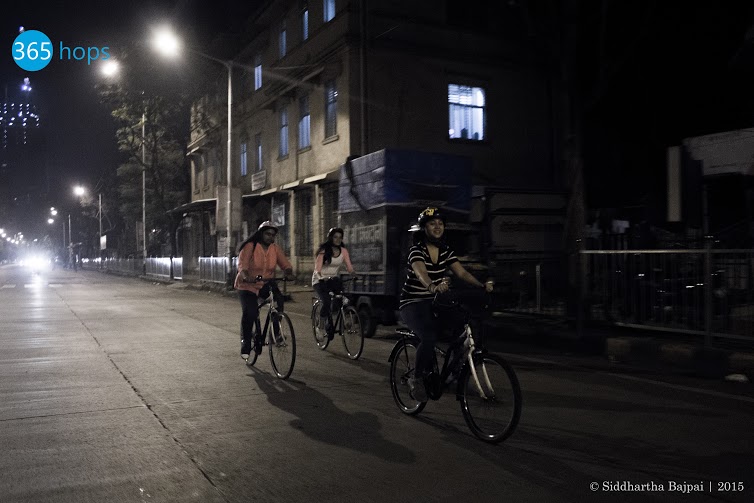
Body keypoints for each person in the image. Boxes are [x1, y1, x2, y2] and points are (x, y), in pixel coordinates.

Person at [399, 207, 494, 402]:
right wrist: (432, 286)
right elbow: (421, 274)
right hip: (413, 303)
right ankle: (417, 379)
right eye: (432, 223)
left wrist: (481, 285)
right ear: (424, 228)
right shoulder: (416, 251)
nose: (437, 227)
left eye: (440, 224)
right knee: (428, 337)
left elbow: (462, 273)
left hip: (435, 302)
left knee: (463, 326)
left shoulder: (445, 251)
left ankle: (455, 372)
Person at [234, 221, 294, 359]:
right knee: (251, 312)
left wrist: (289, 272)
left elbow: (285, 264)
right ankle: (246, 342)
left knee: (278, 300)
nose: (270, 237)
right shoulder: (250, 246)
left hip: (266, 282)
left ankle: (276, 333)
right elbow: (242, 266)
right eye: (267, 234)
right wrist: (246, 277)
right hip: (247, 285)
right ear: (261, 233)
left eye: (273, 235)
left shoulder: (275, 248)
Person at [312, 227, 355, 339]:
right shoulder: (323, 251)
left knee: (345, 298)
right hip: (319, 280)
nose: (338, 239)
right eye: (335, 237)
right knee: (326, 301)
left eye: (340, 237)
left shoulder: (343, 251)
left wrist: (353, 274)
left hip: (333, 279)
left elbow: (349, 266)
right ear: (331, 238)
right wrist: (321, 278)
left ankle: (346, 317)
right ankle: (320, 328)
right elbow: (317, 269)